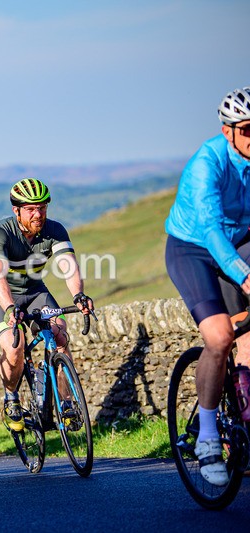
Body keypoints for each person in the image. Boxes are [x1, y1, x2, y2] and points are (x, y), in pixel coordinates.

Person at [165, 86, 250, 487]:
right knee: (219, 337)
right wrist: (245, 277)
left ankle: (243, 416)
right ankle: (209, 437)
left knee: (246, 338)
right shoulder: (208, 163)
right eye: (247, 129)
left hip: (241, 240)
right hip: (194, 247)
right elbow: (211, 230)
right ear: (228, 131)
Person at [0, 178, 94, 433]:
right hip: (0, 292)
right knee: (14, 346)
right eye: (30, 209)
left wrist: (79, 295)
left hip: (34, 290)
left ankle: (67, 404)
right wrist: (9, 308)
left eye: (42, 208)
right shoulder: (0, 232)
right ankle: (11, 398)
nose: (38, 214)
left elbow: (68, 265)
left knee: (60, 335)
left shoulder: (55, 230)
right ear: (16, 210)